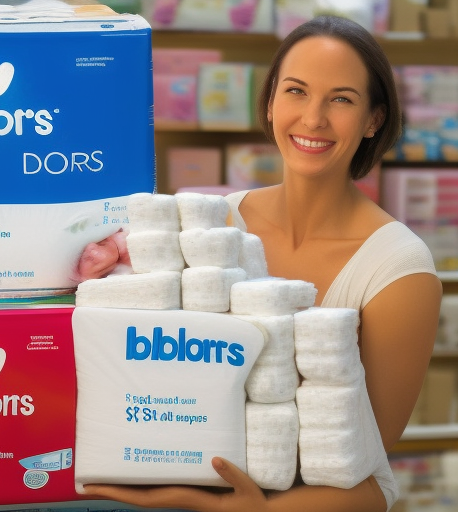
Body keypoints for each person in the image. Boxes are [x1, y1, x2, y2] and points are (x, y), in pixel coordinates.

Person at [80, 15, 442, 512]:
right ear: (270, 102)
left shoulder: (399, 271)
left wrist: (255, 509)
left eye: (341, 99)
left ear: (373, 119)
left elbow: (365, 472)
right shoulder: (209, 227)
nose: (313, 118)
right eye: (296, 91)